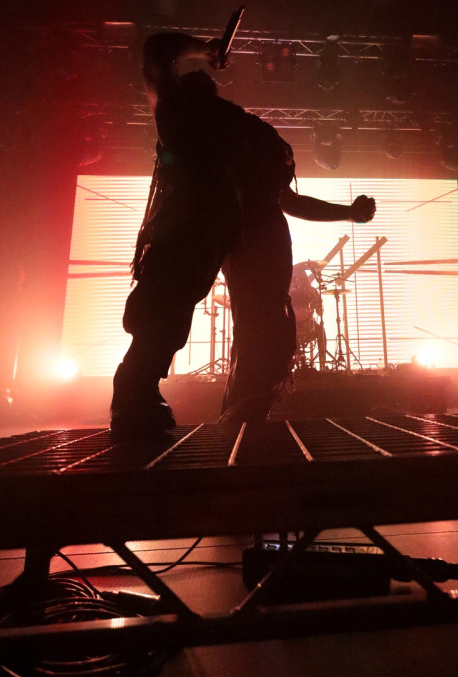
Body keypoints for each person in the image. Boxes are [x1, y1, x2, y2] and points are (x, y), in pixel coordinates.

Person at [110, 31, 376, 438]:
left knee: (257, 329)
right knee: (176, 311)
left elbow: (284, 201)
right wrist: (209, 50)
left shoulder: (234, 130)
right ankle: (149, 397)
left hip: (225, 226)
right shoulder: (217, 125)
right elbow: (286, 201)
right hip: (207, 221)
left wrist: (347, 214)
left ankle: (237, 414)